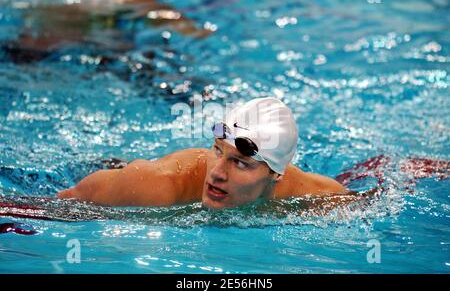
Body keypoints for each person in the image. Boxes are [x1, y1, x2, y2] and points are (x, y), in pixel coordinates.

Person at [57, 97, 349, 209]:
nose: (218, 173)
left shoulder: (313, 195)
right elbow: (57, 204)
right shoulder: (154, 185)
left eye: (240, 163)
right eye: (218, 151)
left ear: (275, 174)